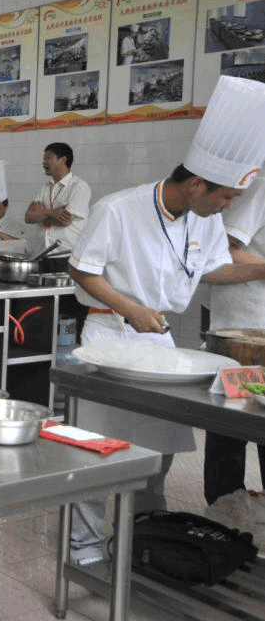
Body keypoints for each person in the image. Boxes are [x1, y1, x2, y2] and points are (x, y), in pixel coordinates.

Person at [65, 75, 265, 565]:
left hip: (161, 344)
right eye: (223, 197)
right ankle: (85, 548)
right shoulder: (119, 210)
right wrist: (129, 307)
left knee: (158, 447)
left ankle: (142, 535)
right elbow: (81, 267)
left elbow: (214, 267)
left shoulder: (205, 218)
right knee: (100, 448)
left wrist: (257, 269)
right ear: (196, 183)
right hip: (109, 337)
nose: (227, 207)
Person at [202, 175, 265, 505]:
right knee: (233, 425)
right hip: (243, 335)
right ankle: (224, 519)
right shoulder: (261, 190)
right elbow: (225, 250)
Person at [24, 142, 90, 252]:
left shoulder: (79, 187)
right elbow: (28, 217)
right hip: (43, 253)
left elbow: (65, 221)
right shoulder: (45, 187)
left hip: (66, 255)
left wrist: (41, 215)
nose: (43, 162)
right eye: (44, 158)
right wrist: (53, 213)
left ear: (63, 160)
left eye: (48, 158)